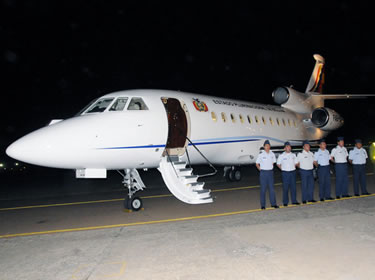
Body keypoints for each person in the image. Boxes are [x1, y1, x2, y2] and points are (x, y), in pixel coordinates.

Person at [256, 140, 279, 210]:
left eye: (268, 145)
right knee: (263, 190)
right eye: (266, 146)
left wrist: (269, 168)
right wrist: (261, 170)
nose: (267, 147)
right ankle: (263, 205)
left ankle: (273, 203)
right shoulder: (261, 155)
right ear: (264, 147)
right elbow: (257, 163)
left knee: (272, 189)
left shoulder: (272, 154)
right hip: (263, 173)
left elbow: (273, 162)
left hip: (270, 173)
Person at [277, 141, 300, 207]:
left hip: (292, 172)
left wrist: (293, 167)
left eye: (290, 146)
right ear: (284, 148)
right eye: (287, 147)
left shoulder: (293, 155)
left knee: (293, 187)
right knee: (285, 188)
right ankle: (285, 202)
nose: (289, 148)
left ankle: (294, 201)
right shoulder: (281, 155)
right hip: (285, 173)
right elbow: (278, 164)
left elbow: (296, 163)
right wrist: (283, 169)